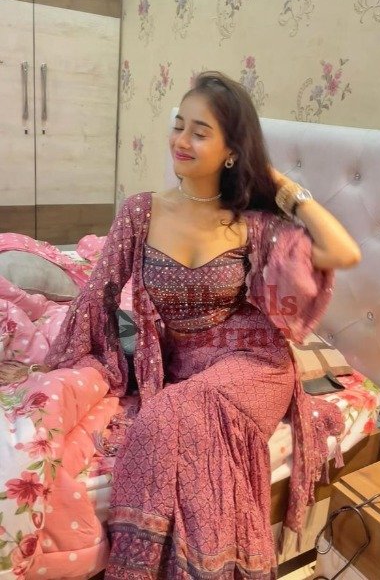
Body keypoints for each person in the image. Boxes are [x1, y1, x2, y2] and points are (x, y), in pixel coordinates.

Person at [46, 71, 361, 579]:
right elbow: (98, 295)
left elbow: (342, 252)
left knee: (165, 415)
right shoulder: (141, 212)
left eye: (200, 132)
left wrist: (283, 186)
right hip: (184, 364)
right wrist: (70, 364)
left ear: (232, 151)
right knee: (172, 414)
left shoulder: (252, 224)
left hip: (253, 362)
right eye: (179, 126)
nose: (181, 141)